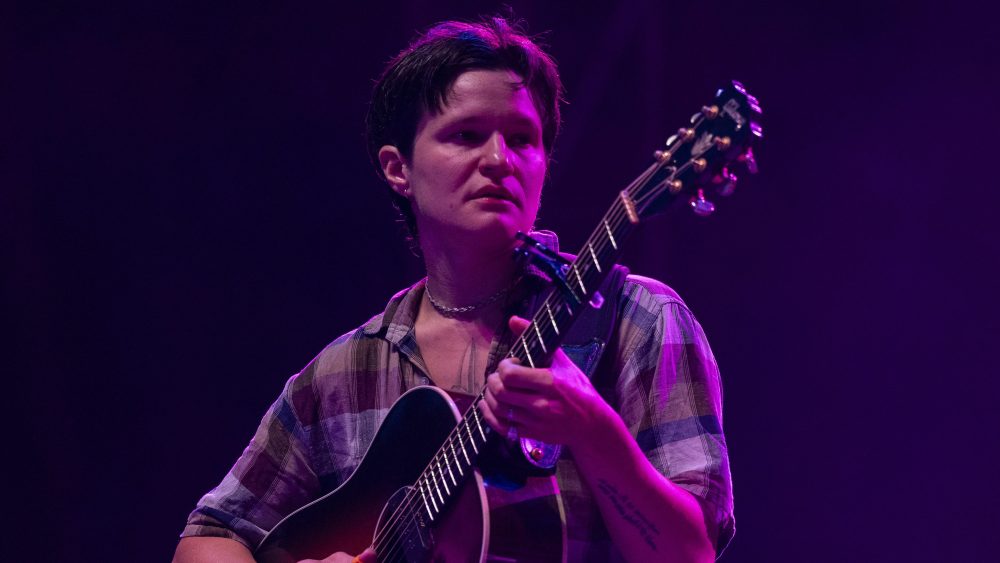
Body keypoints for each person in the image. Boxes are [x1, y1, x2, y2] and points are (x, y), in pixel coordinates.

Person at [174, 16, 734, 563]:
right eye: (466, 136)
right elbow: (207, 535)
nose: (499, 160)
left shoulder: (635, 319)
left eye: (522, 139)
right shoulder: (343, 373)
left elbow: (690, 553)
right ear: (399, 170)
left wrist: (592, 432)